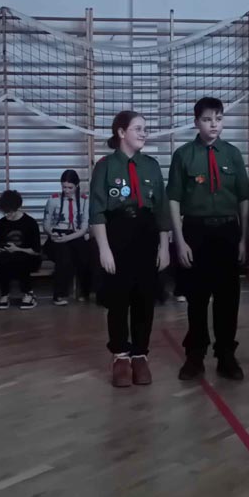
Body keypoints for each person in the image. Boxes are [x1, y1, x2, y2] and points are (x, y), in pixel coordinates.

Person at [168, 96, 249, 380]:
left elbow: (244, 198)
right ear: (196, 122)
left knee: (228, 298)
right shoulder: (183, 155)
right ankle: (195, 355)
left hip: (227, 232)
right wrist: (180, 240)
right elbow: (173, 199)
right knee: (197, 298)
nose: (213, 124)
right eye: (207, 119)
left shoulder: (232, 154)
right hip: (196, 232)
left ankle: (226, 354)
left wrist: (243, 238)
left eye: (218, 119)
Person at [90, 111, 171, 387]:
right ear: (121, 132)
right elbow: (97, 211)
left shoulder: (151, 166)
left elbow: (161, 209)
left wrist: (164, 247)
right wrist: (104, 249)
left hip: (146, 235)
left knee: (144, 298)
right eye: (138, 128)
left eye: (145, 128)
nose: (143, 133)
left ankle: (140, 355)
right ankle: (120, 356)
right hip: (117, 234)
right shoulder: (105, 166)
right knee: (118, 299)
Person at [43, 170, 91, 305]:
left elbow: (84, 228)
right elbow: (46, 224)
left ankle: (85, 291)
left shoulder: (84, 200)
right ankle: (59, 294)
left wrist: (67, 238)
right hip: (58, 234)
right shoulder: (53, 200)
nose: (67, 190)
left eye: (70, 187)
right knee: (64, 257)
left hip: (76, 234)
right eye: (64, 187)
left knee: (85, 256)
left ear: (77, 186)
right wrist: (51, 233)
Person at [0, 189, 42, 310]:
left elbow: (36, 250)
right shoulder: (0, 224)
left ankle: (28, 293)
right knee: (2, 258)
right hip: (8, 257)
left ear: (18, 207)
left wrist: (17, 249)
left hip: (29, 257)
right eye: (5, 212)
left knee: (21, 257)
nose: (7, 215)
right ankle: (4, 294)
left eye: (10, 212)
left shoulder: (30, 223)